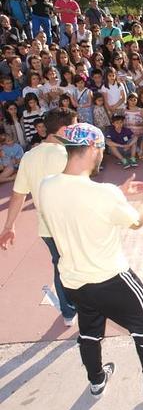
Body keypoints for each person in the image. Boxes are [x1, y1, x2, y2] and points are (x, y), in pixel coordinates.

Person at [37, 122, 143, 399]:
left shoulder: (46, 186)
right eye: (102, 149)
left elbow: (78, 200)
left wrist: (118, 192)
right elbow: (136, 221)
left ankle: (96, 380)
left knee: (90, 331)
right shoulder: (104, 194)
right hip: (111, 277)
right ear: (94, 148)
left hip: (74, 279)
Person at [0, 108, 77, 325]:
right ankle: (88, 309)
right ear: (64, 129)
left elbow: (19, 194)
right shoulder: (69, 155)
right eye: (74, 126)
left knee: (60, 266)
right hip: (73, 226)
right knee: (82, 266)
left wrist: (9, 226)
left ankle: (68, 312)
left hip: (47, 229)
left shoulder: (29, 156)